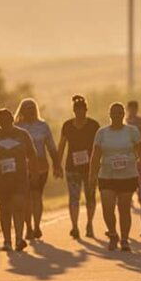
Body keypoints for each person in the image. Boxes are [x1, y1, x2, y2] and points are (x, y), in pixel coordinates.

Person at [90, 103, 141, 252]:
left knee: (124, 208)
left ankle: (124, 239)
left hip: (127, 175)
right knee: (107, 207)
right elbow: (95, 155)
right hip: (107, 176)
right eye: (114, 113)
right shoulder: (102, 133)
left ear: (123, 114)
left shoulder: (132, 131)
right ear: (109, 114)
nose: (116, 115)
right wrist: (91, 175)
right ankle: (112, 233)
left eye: (119, 113)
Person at [0, 109, 36, 251]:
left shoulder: (22, 134)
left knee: (18, 205)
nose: (4, 124)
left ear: (12, 119)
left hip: (19, 177)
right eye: (1, 122)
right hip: (1, 179)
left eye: (7, 121)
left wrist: (33, 172)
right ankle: (7, 241)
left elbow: (32, 154)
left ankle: (19, 238)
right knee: (5, 209)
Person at [15, 98, 60, 241]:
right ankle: (28, 227)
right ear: (22, 111)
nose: (29, 112)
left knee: (37, 195)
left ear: (35, 110)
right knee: (26, 197)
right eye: (26, 109)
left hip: (41, 165)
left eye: (31, 109)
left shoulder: (43, 126)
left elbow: (51, 146)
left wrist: (57, 164)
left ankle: (37, 226)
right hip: (22, 166)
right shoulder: (16, 126)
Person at [58, 95, 100, 239]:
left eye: (82, 110)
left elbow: (99, 146)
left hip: (90, 168)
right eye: (77, 110)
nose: (80, 113)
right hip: (72, 167)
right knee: (74, 197)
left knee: (90, 197)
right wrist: (57, 164)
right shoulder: (67, 126)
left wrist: (100, 164)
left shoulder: (94, 126)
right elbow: (62, 145)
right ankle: (75, 226)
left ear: (86, 110)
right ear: (74, 111)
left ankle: (89, 223)